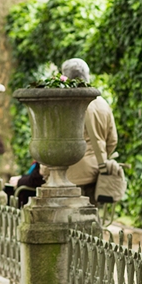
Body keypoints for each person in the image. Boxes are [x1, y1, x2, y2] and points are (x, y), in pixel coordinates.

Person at [54, 58, 118, 202]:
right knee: (91, 215)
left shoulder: (63, 106)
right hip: (96, 171)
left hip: (68, 173)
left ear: (66, 77)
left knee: (67, 218)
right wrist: (100, 156)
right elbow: (112, 140)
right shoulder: (102, 104)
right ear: (87, 75)